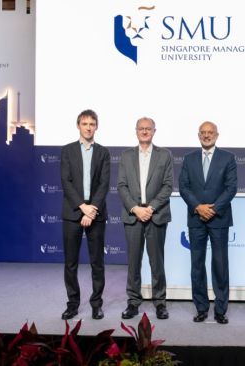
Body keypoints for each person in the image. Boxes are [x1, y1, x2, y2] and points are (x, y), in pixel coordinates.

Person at [179, 121, 237, 324]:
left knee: (220, 265)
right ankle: (201, 308)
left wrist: (212, 209)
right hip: (196, 218)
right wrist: (198, 207)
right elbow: (183, 187)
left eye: (210, 132)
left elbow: (231, 188)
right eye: (203, 132)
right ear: (198, 135)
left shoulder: (228, 158)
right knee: (197, 265)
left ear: (217, 135)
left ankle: (220, 309)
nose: (206, 135)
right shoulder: (189, 159)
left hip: (219, 218)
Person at [117, 117, 173, 320]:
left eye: (148, 128)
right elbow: (121, 186)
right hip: (133, 216)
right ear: (136, 131)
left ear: (154, 131)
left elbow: (168, 185)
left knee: (157, 261)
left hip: (155, 215)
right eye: (141, 128)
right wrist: (135, 208)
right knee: (133, 262)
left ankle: (160, 302)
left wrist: (150, 208)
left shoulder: (164, 155)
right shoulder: (125, 156)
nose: (144, 131)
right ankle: (133, 302)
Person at [60, 109, 111, 320]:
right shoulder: (67, 151)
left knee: (96, 262)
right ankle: (72, 304)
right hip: (73, 212)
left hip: (96, 214)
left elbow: (104, 184)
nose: (88, 127)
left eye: (92, 124)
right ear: (78, 126)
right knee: (71, 262)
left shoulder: (103, 152)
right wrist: (83, 207)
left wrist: (92, 209)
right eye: (84, 124)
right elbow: (66, 182)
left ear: (96, 126)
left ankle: (96, 304)